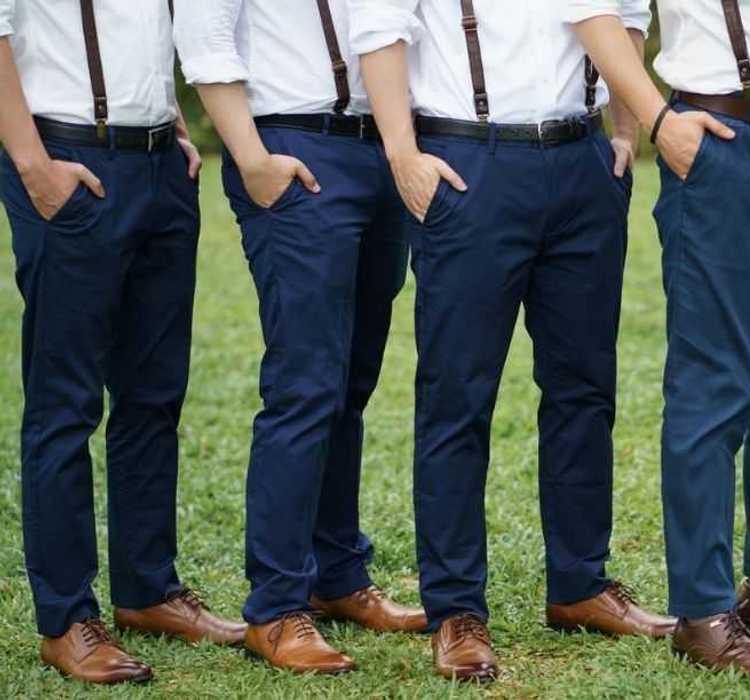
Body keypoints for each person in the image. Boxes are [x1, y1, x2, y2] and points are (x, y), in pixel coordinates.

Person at [350, 0, 675, 683]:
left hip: (583, 161)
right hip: (470, 160)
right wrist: (402, 155)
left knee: (584, 389)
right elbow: (380, 31)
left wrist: (622, 130)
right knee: (457, 398)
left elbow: (628, 19)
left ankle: (581, 583)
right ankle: (455, 610)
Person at [572, 0, 750, 678]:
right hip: (722, 138)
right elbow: (594, 10)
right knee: (714, 384)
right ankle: (701, 612)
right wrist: (656, 120)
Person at [174, 0, 424, 674]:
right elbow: (204, 35)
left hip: (381, 149)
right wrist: (252, 158)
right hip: (294, 143)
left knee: (351, 383)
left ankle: (337, 575)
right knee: (305, 386)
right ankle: (277, 607)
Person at [0, 0, 245, 684]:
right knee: (66, 405)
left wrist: (171, 127)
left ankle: (148, 591)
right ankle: (66, 619)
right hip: (67, 156)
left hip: (160, 166)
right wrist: (32, 163)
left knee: (154, 394)